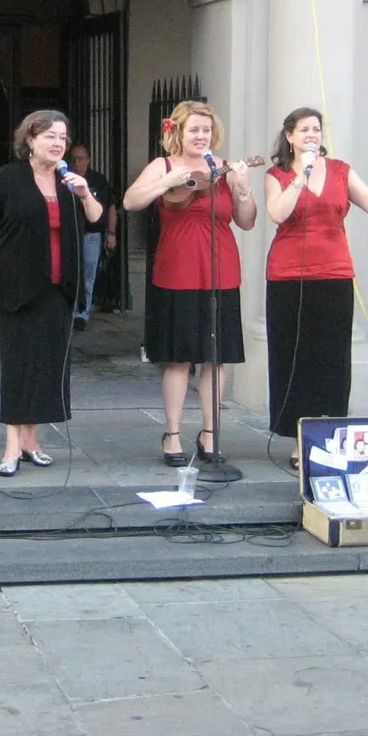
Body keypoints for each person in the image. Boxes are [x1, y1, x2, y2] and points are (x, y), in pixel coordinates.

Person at [0, 110, 102, 477]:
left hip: (57, 288)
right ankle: (12, 445)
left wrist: (84, 194)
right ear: (30, 141)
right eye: (50, 136)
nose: (58, 143)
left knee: (48, 365)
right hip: (17, 287)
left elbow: (95, 218)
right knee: (19, 365)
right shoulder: (9, 178)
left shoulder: (68, 182)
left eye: (62, 137)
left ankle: (32, 440)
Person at [263, 107, 368, 463]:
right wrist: (301, 177)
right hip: (288, 277)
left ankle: (328, 434)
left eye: (316, 129)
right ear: (290, 137)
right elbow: (277, 213)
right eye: (304, 130)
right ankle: (300, 438)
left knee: (330, 358)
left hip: (333, 274)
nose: (312, 135)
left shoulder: (341, 171)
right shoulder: (277, 174)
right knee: (294, 358)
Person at [123, 101, 256, 467]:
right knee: (179, 359)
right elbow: (131, 201)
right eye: (194, 130)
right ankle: (173, 434)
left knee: (216, 359)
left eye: (207, 130)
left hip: (221, 271)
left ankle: (210, 433)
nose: (201, 136)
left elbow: (246, 222)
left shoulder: (222, 169)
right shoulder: (163, 166)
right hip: (178, 270)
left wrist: (243, 190)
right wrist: (168, 181)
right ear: (178, 132)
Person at [66, 143, 116, 330]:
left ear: (88, 160)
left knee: (88, 275)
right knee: (69, 273)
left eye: (81, 158)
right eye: (74, 159)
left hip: (92, 235)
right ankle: (69, 310)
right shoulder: (64, 179)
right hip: (69, 235)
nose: (78, 162)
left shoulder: (97, 180)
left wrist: (111, 233)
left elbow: (110, 206)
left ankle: (82, 313)